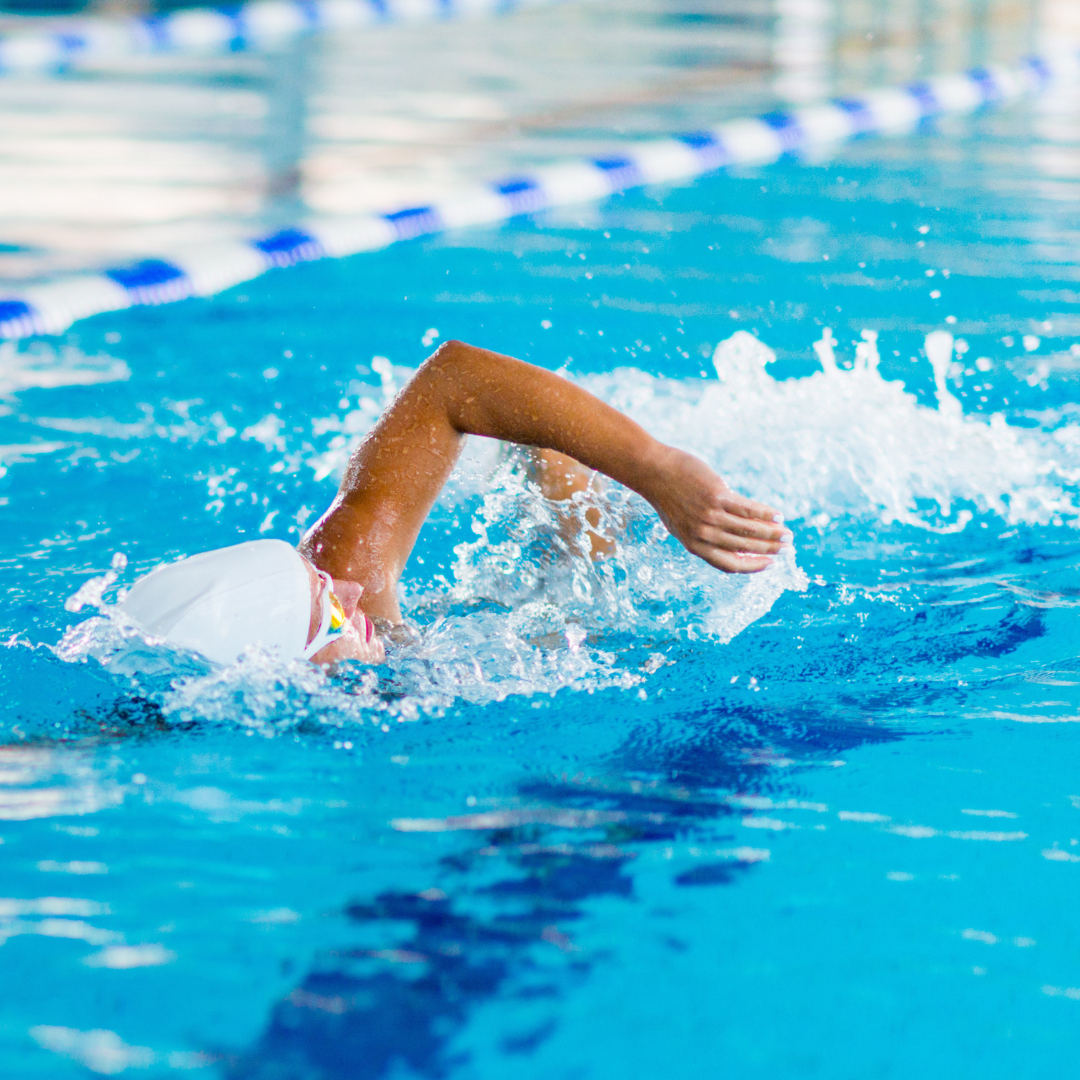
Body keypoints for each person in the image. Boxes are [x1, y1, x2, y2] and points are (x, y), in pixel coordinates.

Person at [120, 340, 790, 667]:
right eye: (326, 609)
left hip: (498, 616)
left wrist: (657, 467)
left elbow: (455, 380)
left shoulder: (341, 573)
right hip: (483, 635)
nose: (350, 594)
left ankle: (573, 499)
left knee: (588, 593)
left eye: (320, 580)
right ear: (276, 670)